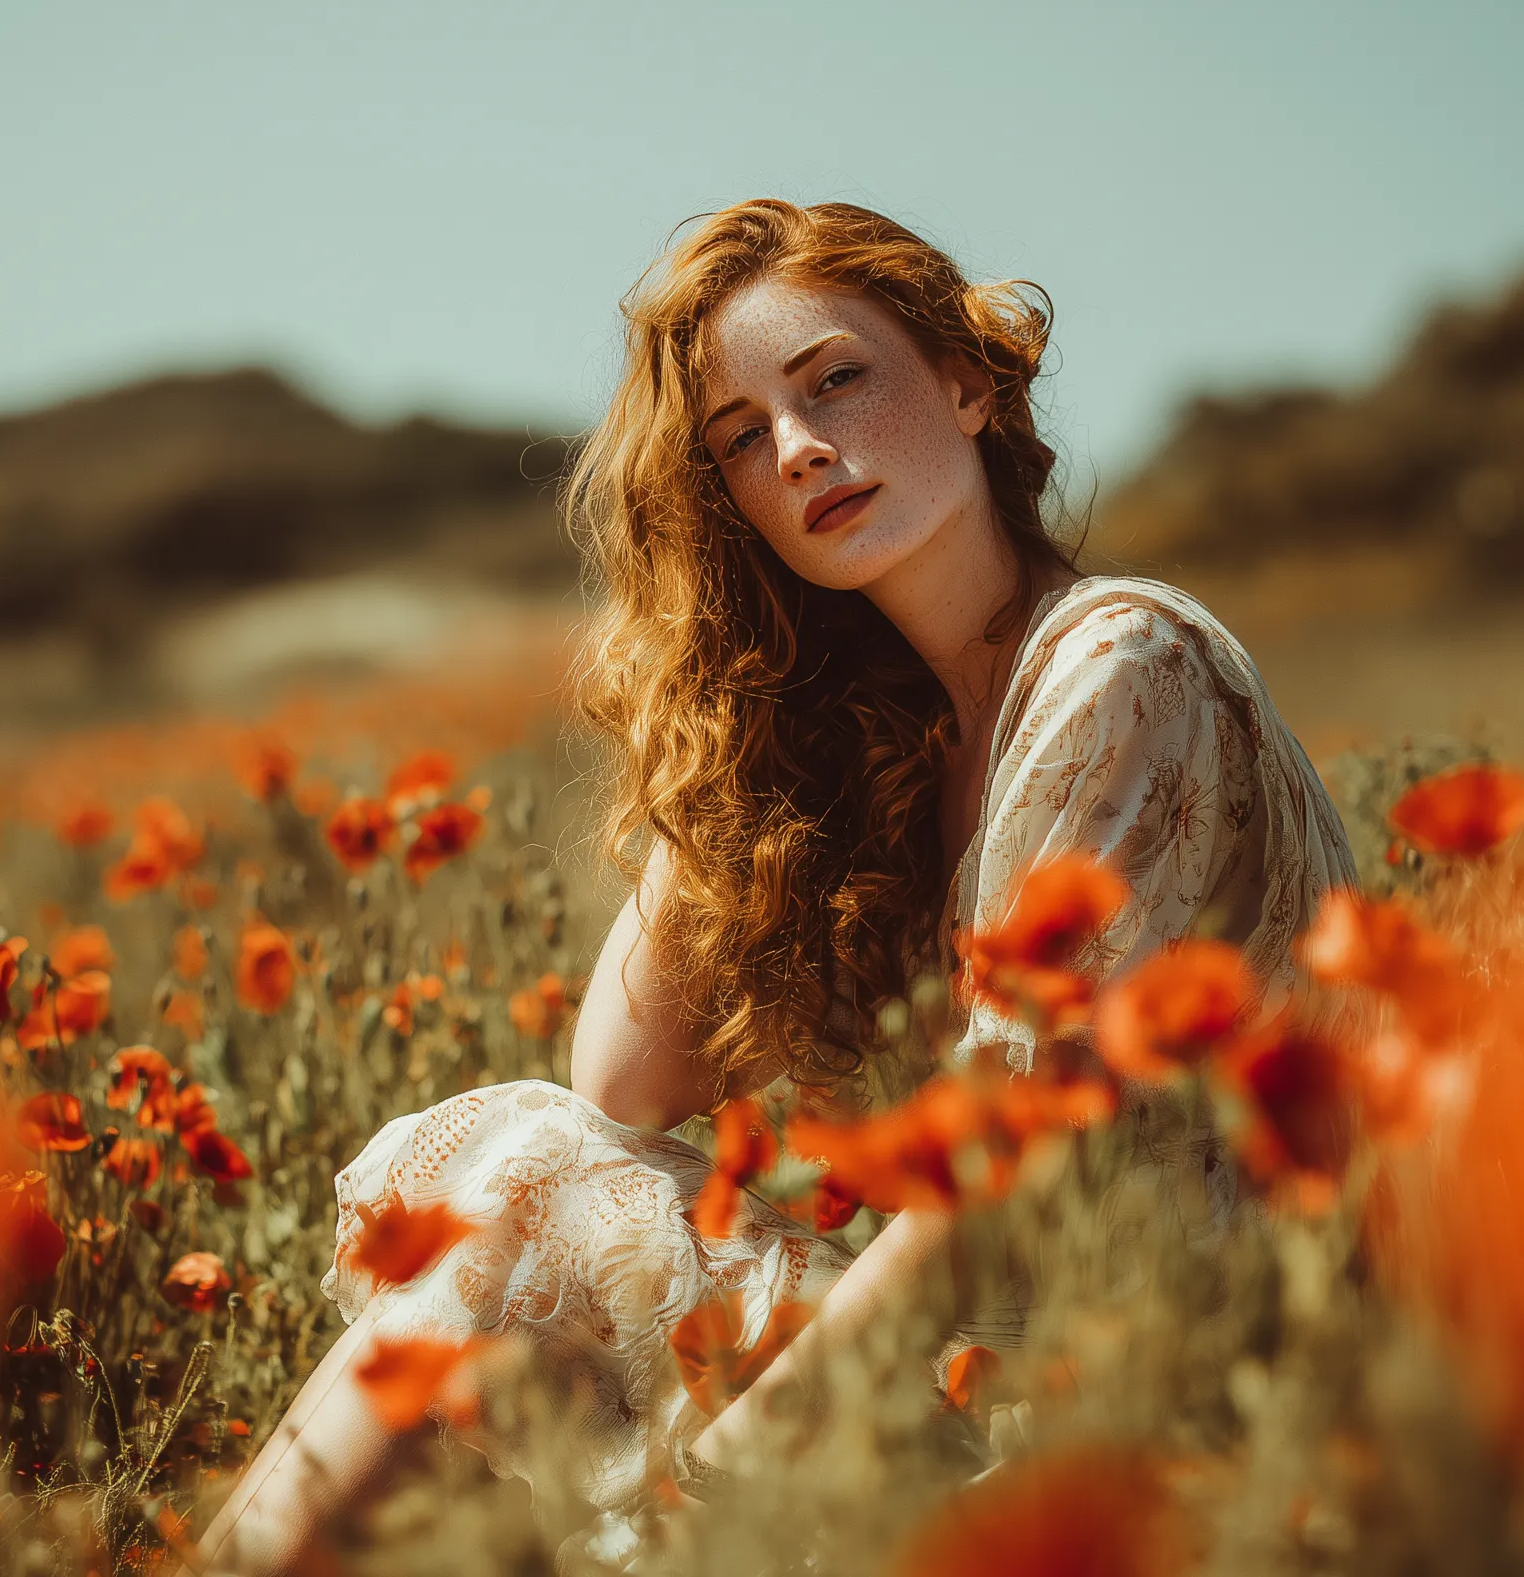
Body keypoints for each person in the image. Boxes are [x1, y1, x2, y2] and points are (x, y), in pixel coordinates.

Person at [202, 199, 1355, 1572]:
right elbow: (622, 1083)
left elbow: (1001, 1181)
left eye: (836, 382)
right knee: (528, 1167)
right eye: (741, 440)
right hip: (990, 1397)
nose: (801, 450)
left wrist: (732, 1472)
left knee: (525, 1200)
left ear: (968, 379)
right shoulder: (905, 741)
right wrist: (753, 703)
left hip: (1202, 1422)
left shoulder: (1122, 667)